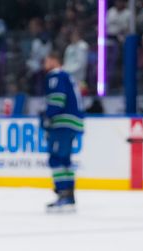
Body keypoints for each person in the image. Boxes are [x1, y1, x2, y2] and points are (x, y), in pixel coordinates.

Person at [41, 50, 84, 213]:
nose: (45, 65)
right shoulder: (67, 76)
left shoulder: (55, 76)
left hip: (62, 123)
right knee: (64, 159)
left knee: (56, 158)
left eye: (46, 61)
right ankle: (69, 196)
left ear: (53, 60)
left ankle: (63, 194)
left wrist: (48, 116)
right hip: (72, 122)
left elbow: (57, 99)